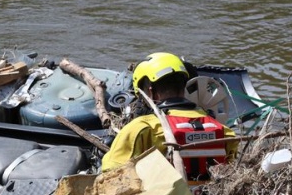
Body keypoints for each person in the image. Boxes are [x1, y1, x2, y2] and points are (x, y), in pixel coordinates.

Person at [101, 52, 238, 185]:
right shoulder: (224, 132)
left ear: (149, 91)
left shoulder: (142, 128)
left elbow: (111, 176)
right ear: (184, 87)